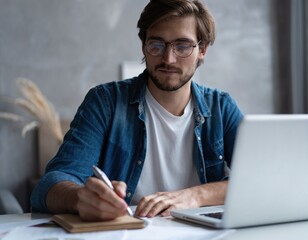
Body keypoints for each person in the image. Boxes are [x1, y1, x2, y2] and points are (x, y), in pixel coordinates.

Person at [31, 0, 243, 221]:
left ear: (203, 49)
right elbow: (50, 185)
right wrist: (79, 198)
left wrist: (196, 196)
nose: (168, 59)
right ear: (144, 45)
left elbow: (262, 180)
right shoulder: (105, 103)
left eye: (182, 46)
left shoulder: (222, 108)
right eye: (156, 44)